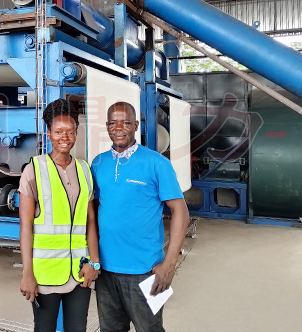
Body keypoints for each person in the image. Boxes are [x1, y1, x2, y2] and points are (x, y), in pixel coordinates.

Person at [92, 102, 189, 332]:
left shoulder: (157, 163)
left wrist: (169, 265)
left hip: (145, 271)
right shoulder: (98, 163)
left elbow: (181, 212)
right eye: (113, 123)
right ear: (106, 126)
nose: (119, 128)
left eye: (126, 122)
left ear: (136, 125)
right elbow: (93, 212)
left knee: (149, 329)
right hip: (105, 271)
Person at [18, 98, 100, 332]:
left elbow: (90, 221)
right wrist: (27, 274)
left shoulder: (85, 170)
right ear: (49, 133)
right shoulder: (34, 170)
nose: (65, 137)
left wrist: (94, 263)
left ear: (76, 133)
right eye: (58, 132)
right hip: (45, 275)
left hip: (79, 271)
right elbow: (25, 227)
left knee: (77, 328)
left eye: (70, 132)